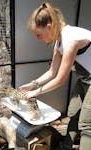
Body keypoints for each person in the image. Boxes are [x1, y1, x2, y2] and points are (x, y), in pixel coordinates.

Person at [19, 2, 91, 150]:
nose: (38, 38)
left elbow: (60, 79)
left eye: (38, 34)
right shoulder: (58, 42)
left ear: (49, 27)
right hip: (85, 78)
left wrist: (35, 92)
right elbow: (52, 72)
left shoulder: (71, 39)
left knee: (86, 123)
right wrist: (33, 84)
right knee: (73, 112)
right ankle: (67, 146)